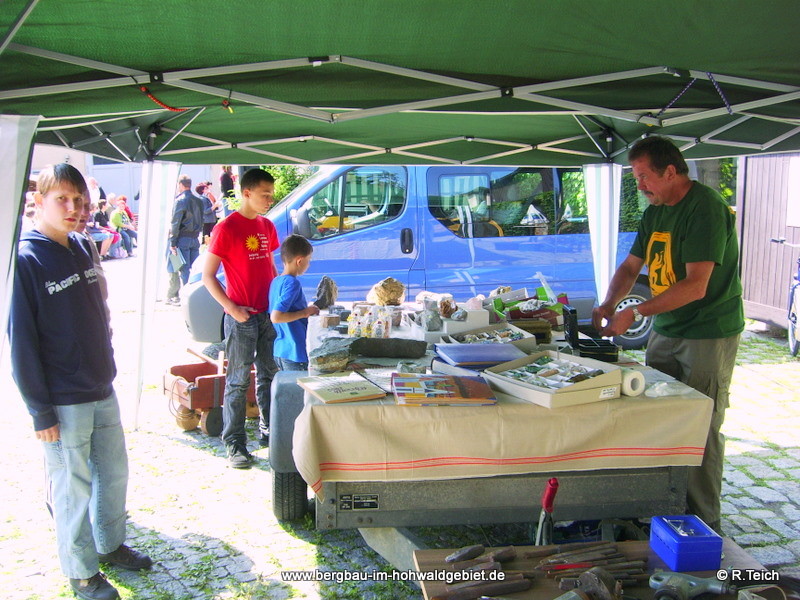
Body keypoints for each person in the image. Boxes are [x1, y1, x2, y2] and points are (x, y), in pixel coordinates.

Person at [8, 164, 151, 600]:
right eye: (63, 200)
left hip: (100, 386)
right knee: (71, 489)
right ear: (38, 200)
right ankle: (82, 573)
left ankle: (108, 545)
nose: (75, 209)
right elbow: (21, 343)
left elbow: (98, 314)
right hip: (62, 399)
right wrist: (40, 410)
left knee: (113, 473)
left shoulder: (84, 246)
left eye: (81, 201)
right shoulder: (23, 259)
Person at [592, 135, 743, 533]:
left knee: (701, 423)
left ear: (670, 171)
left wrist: (634, 311)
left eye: (643, 176)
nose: (639, 185)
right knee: (659, 415)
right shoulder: (655, 212)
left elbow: (696, 286)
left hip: (708, 332)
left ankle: (704, 518)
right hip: (669, 328)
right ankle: (663, 504)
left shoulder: (705, 208)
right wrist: (609, 303)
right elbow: (629, 268)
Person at [202, 168, 280, 468]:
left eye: (271, 195)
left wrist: (278, 301)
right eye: (265, 195)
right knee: (236, 382)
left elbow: (270, 268)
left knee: (269, 376)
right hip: (242, 317)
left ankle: (269, 429)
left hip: (267, 315)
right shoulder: (227, 228)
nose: (269, 200)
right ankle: (234, 442)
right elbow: (208, 277)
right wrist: (232, 309)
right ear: (246, 193)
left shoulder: (267, 226)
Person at [269, 235, 320, 371]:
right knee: (298, 392)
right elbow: (276, 316)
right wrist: (305, 312)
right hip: (295, 352)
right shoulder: (292, 283)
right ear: (299, 261)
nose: (308, 265)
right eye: (308, 261)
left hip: (280, 350)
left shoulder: (276, 281)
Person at [170, 174, 204, 285]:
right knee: (195, 269)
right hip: (195, 237)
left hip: (183, 238)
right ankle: (195, 294)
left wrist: (172, 242)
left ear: (180, 184)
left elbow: (175, 223)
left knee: (183, 269)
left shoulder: (179, 201)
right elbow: (201, 219)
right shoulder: (199, 201)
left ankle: (186, 294)